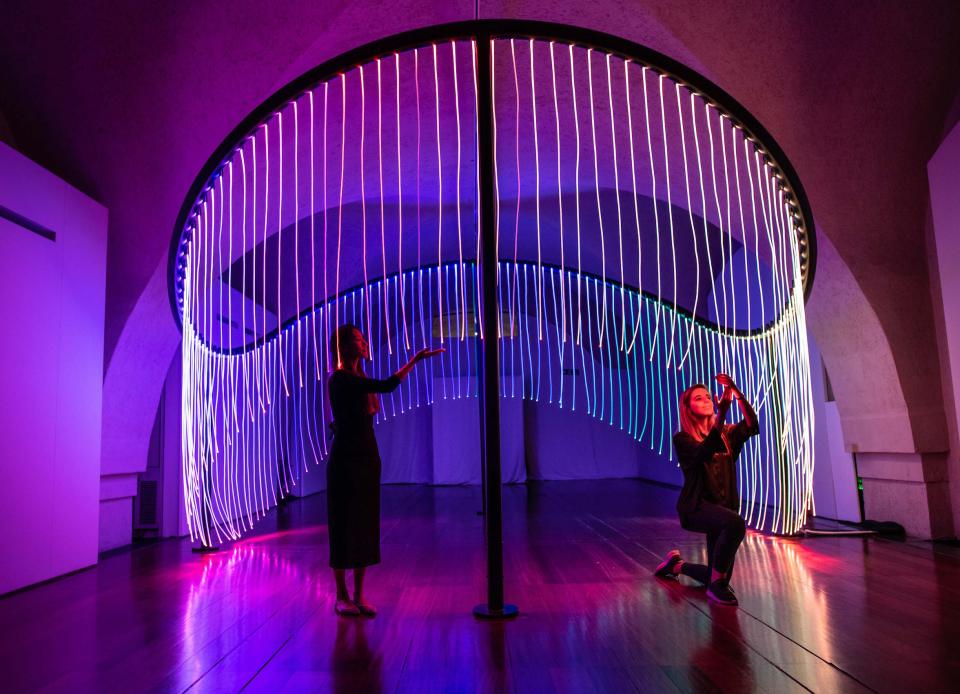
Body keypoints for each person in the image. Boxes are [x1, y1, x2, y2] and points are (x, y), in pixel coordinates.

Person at [326, 323, 443, 616]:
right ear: (344, 345)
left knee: (365, 524)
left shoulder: (358, 378)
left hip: (366, 457)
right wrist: (414, 362)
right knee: (343, 525)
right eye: (356, 338)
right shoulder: (339, 379)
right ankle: (341, 595)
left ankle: (359, 594)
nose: (363, 342)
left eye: (363, 338)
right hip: (345, 460)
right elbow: (388, 386)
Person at [654, 373, 759, 606]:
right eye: (699, 398)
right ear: (688, 408)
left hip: (723, 507)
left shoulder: (728, 434)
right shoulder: (683, 439)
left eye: (709, 397)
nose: (707, 400)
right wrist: (722, 412)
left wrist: (737, 394)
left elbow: (752, 425)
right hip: (697, 507)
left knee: (715, 573)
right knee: (735, 525)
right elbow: (705, 451)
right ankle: (716, 586)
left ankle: (677, 565)